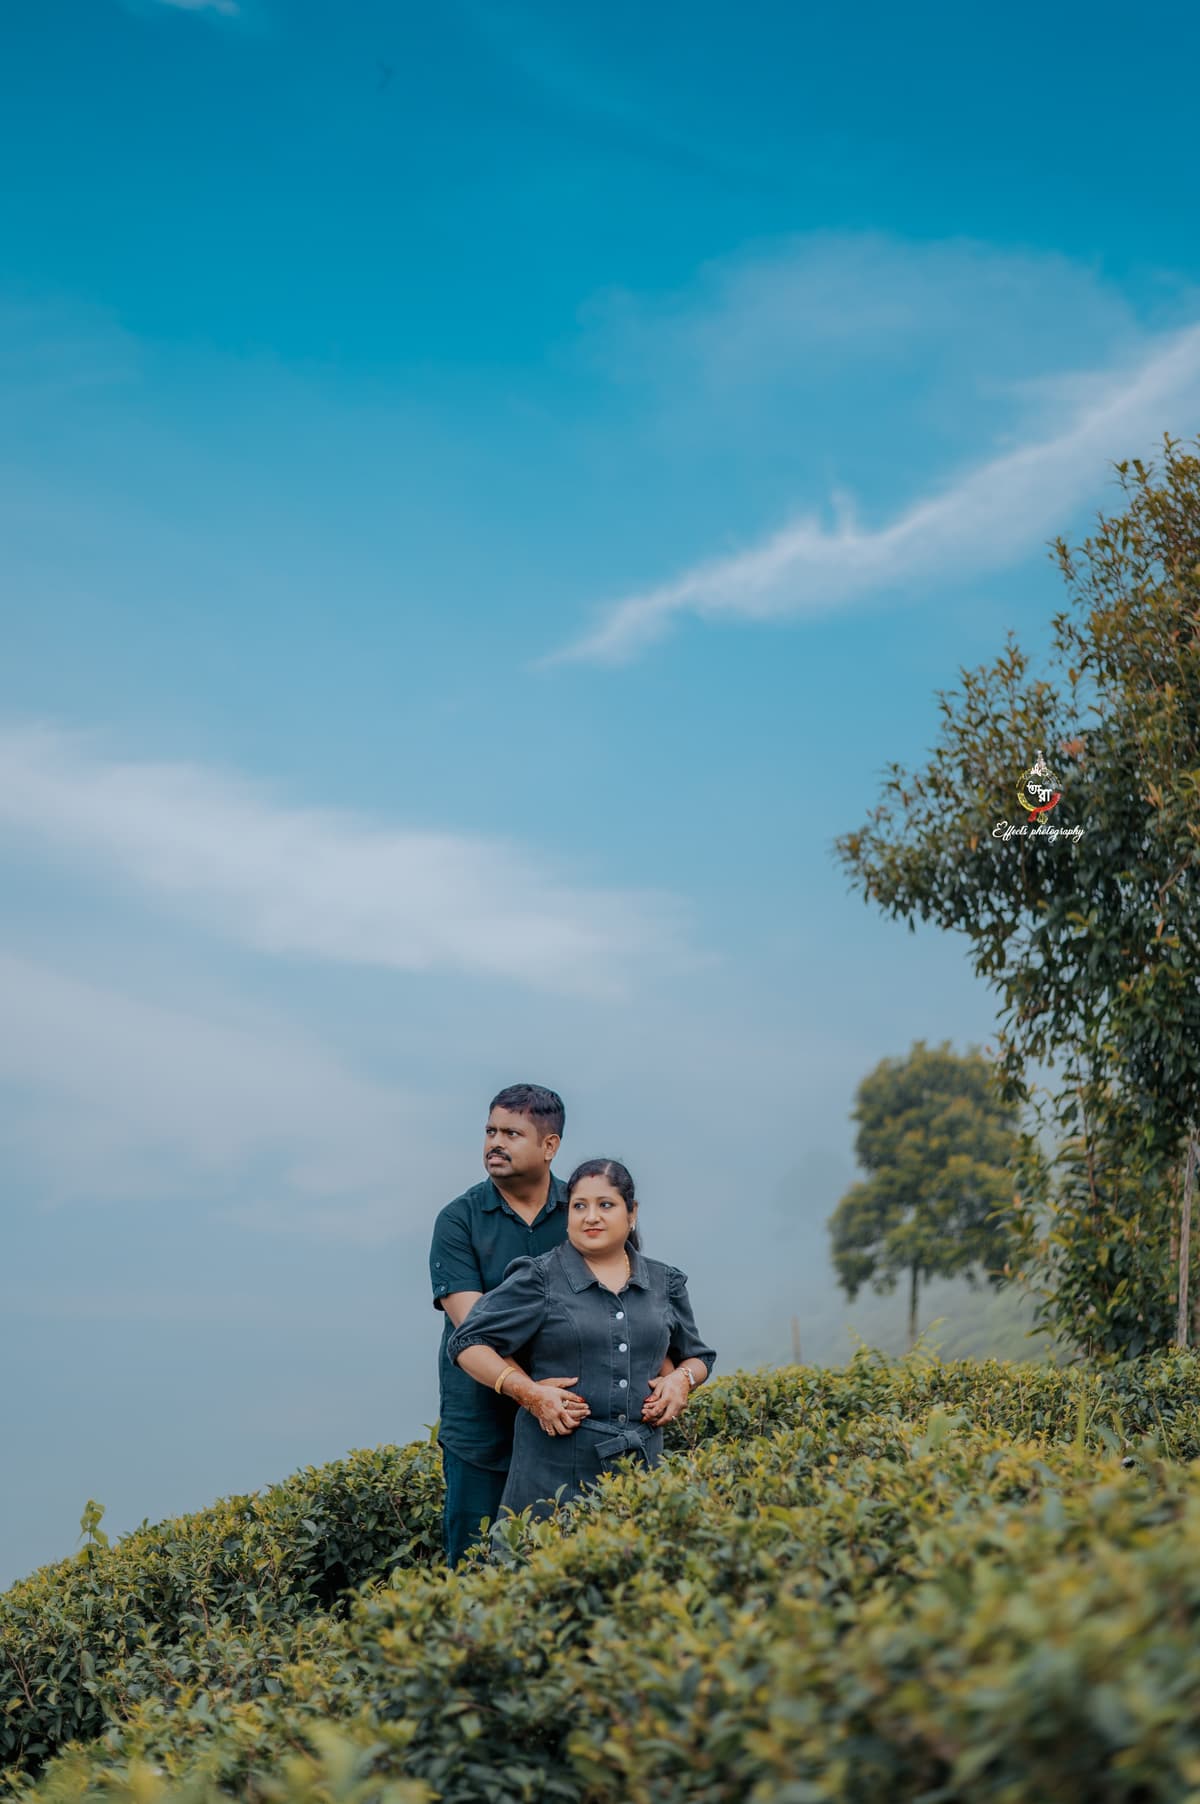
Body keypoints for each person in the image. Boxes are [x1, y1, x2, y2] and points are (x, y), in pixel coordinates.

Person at [446, 1157, 716, 1528]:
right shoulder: (539, 1278)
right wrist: (528, 1393)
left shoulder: (664, 1282)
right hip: (551, 1478)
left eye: (605, 1205)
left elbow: (697, 1356)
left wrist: (680, 1381)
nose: (591, 1217)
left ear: (631, 1212)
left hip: (642, 1474)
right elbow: (468, 1342)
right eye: (579, 1206)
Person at [429, 1083, 577, 1566]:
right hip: (482, 1430)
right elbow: (474, 1328)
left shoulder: (583, 1211)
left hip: (571, 1424)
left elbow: (629, 1295)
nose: (496, 1142)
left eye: (512, 1133)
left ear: (549, 1146)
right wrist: (531, 1391)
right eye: (491, 1131)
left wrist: (675, 1373)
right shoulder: (459, 1220)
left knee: (564, 1563)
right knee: (475, 1568)